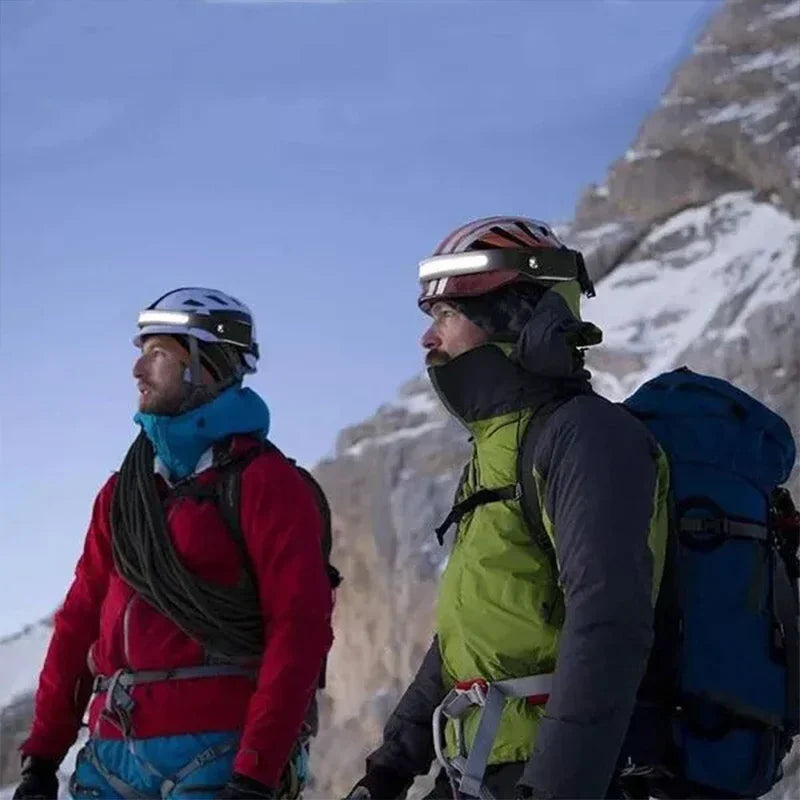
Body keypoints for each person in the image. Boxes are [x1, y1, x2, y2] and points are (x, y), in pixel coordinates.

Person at [347, 217, 670, 800]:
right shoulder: (495, 452)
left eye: (447, 315)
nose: (428, 339)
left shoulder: (586, 436)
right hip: (474, 764)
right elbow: (465, 640)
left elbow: (608, 624)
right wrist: (389, 768)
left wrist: (554, 787)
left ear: (517, 319)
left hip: (540, 770)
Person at [13, 287, 334, 800]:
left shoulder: (265, 483)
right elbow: (79, 620)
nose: (138, 371)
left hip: (219, 756)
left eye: (159, 354)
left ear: (207, 366)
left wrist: (256, 771)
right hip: (111, 754)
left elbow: (299, 628)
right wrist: (42, 757)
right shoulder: (123, 493)